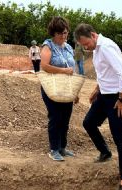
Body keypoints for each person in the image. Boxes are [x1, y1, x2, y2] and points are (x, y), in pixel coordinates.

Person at [74, 23, 122, 190]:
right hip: (104, 96)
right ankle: (105, 152)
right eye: (83, 46)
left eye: (87, 44)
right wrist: (96, 90)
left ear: (93, 35)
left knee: (119, 137)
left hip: (117, 99)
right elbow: (105, 73)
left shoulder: (106, 47)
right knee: (89, 123)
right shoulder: (97, 49)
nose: (86, 48)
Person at [40, 16, 77, 162]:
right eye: (61, 33)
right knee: (55, 117)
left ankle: (62, 147)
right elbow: (45, 66)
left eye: (66, 33)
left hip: (66, 88)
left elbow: (72, 69)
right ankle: (54, 149)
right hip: (51, 87)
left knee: (65, 118)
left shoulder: (68, 47)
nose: (64, 36)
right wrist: (63, 71)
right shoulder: (47, 46)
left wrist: (75, 91)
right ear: (54, 33)